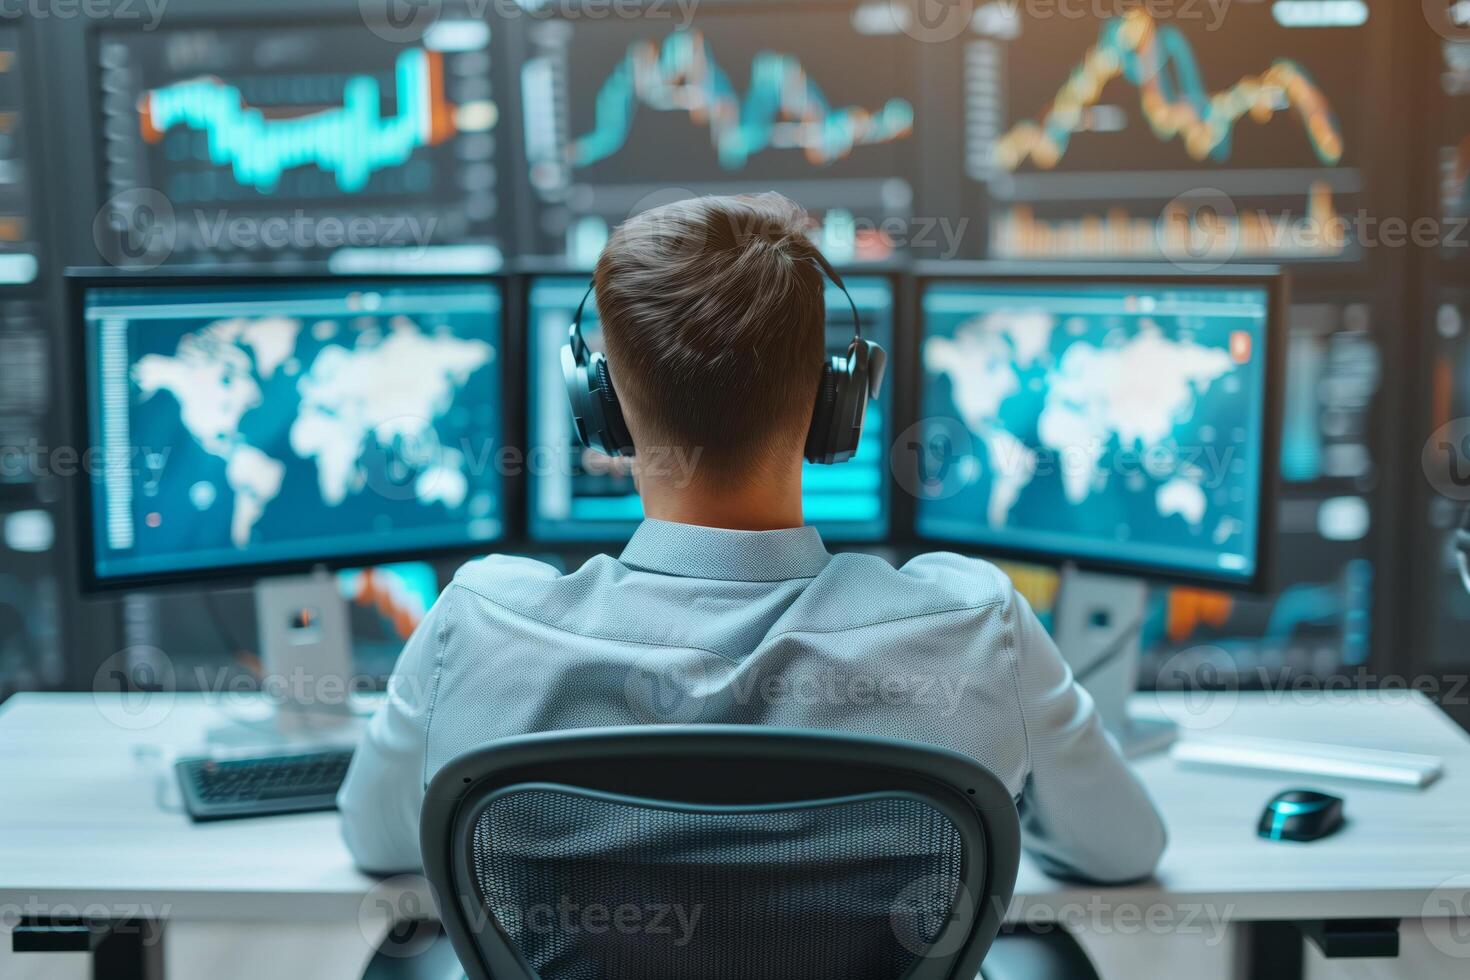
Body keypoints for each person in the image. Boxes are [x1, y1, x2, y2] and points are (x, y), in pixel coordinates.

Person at [337, 193, 1166, 882]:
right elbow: (1125, 853)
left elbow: (375, 844)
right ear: (839, 403)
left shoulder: (478, 624)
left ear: (606, 413)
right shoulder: (979, 629)